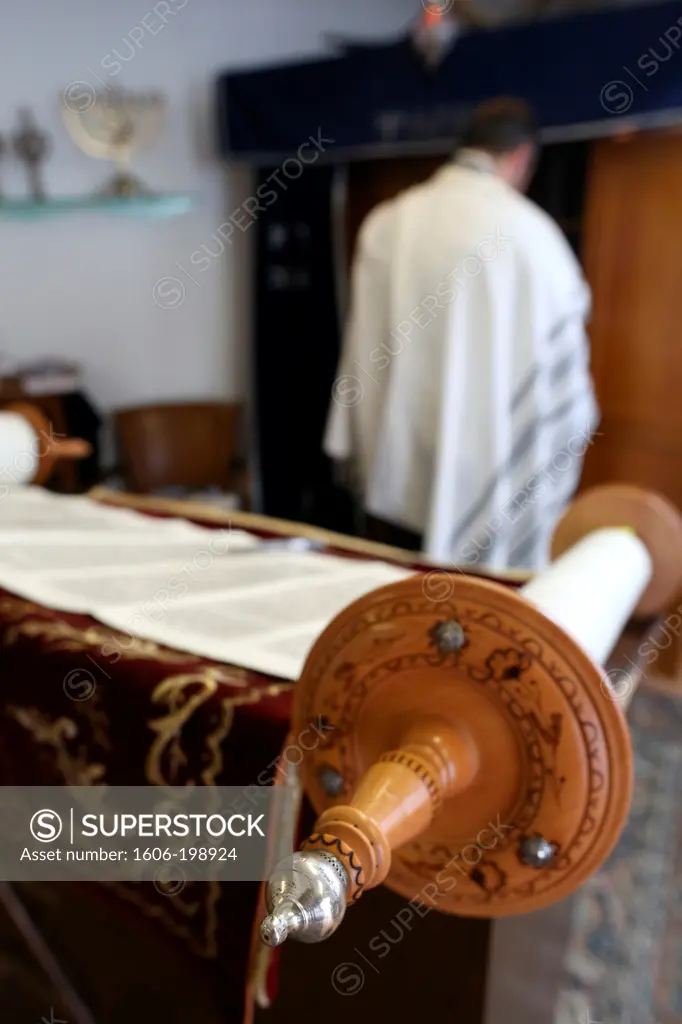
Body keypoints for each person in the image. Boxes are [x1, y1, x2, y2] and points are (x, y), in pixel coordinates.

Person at [323, 97, 599, 571]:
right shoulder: (534, 235)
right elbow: (563, 383)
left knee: (395, 604)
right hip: (490, 471)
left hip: (397, 472)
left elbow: (363, 350)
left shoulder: (389, 221)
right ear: (519, 158)